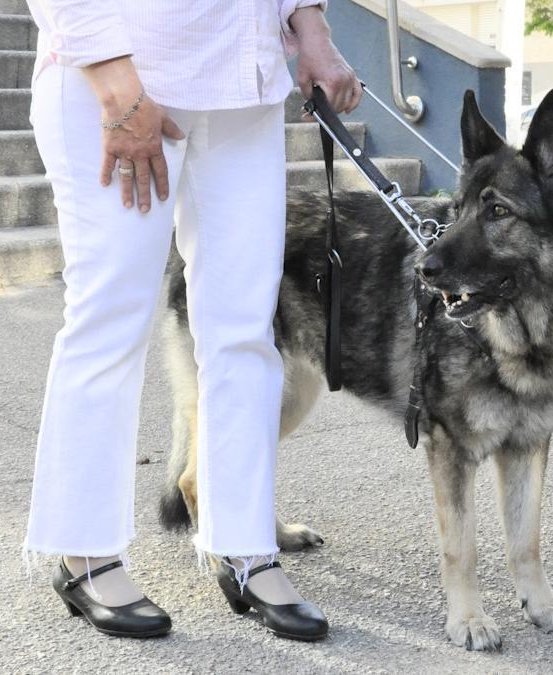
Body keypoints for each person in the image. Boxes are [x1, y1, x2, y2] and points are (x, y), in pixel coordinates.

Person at [23, 0, 362, 640]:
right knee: (109, 318)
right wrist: (115, 82)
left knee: (245, 327)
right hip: (119, 73)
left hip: (242, 81)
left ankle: (243, 545)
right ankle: (84, 549)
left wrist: (310, 24)